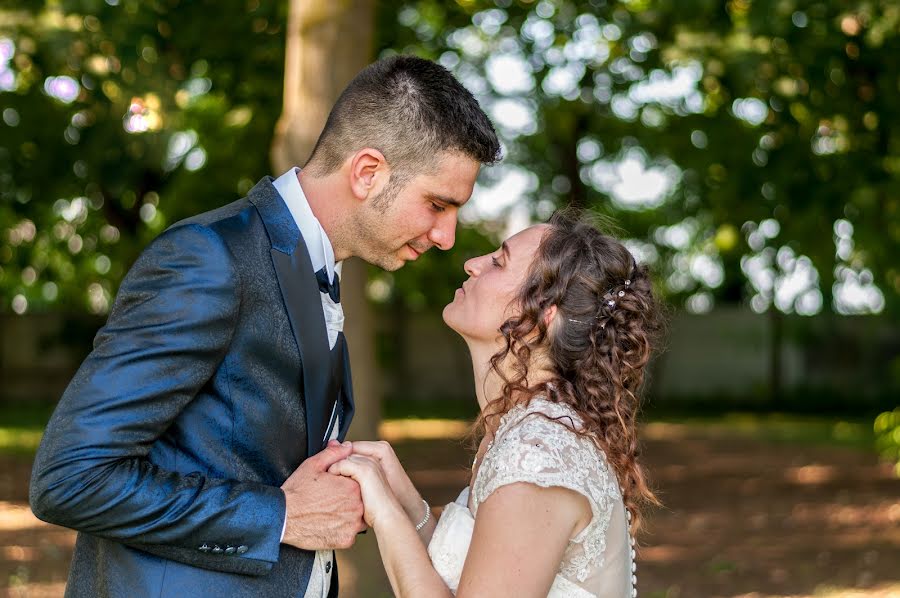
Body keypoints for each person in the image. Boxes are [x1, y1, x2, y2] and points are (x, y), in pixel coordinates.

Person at [28, 55, 500, 597]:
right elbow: (71, 478)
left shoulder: (317, 265)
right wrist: (279, 516)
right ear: (367, 172)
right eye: (438, 204)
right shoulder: (210, 259)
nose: (447, 235)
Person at [329, 210, 662, 597]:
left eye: (498, 262)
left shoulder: (539, 454)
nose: (471, 264)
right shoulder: (528, 430)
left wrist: (383, 512)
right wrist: (407, 504)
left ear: (543, 317)